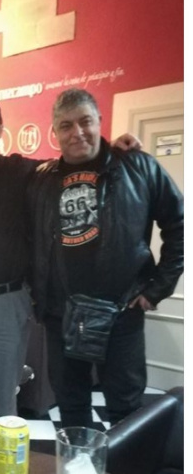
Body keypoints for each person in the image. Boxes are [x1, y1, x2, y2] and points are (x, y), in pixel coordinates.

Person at [0, 91, 139, 443]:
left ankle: (1, 461)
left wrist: (111, 149)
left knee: (5, 399)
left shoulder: (24, 170)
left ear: (1, 127)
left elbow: (75, 161)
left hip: (11, 302)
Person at [28, 88, 184, 427]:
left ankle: (127, 457)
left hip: (121, 311)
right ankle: (80, 457)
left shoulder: (138, 167)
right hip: (61, 313)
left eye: (85, 121)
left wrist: (158, 287)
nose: (77, 132)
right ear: (55, 132)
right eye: (66, 125)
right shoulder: (41, 179)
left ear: (99, 121)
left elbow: (180, 224)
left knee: (127, 411)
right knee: (71, 409)